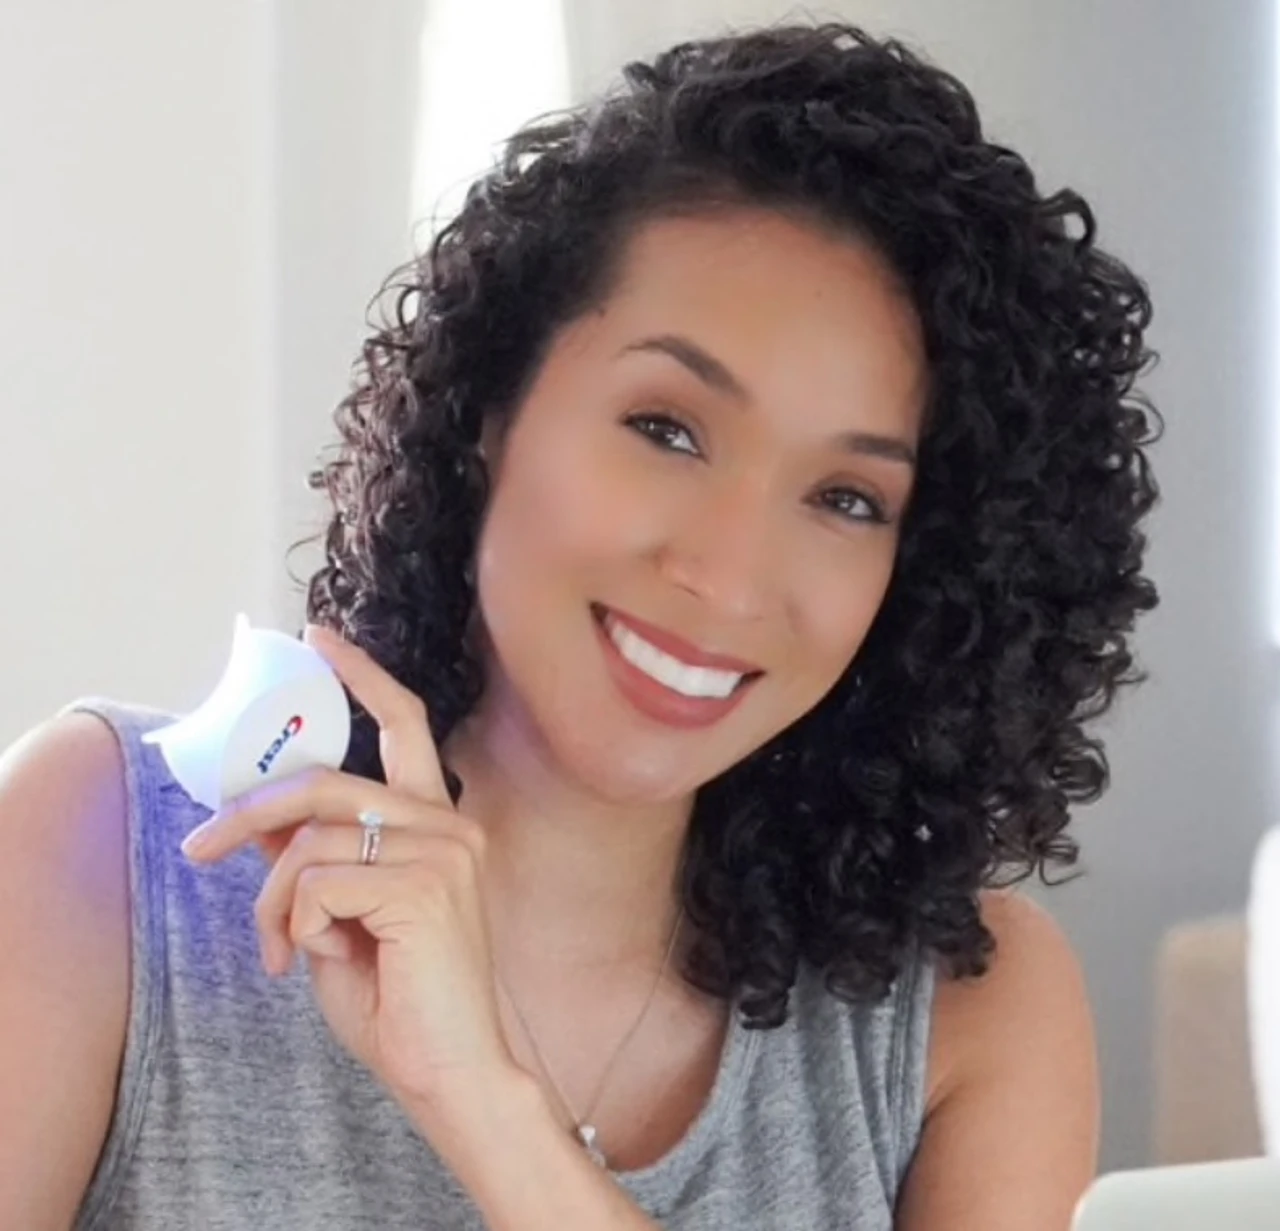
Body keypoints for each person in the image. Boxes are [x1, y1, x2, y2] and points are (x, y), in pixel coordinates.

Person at [0, 20, 1161, 1231]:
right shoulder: (105, 856)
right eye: (665, 429)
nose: (727, 576)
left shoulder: (967, 1010)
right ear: (491, 404)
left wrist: (481, 1100)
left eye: (844, 498)